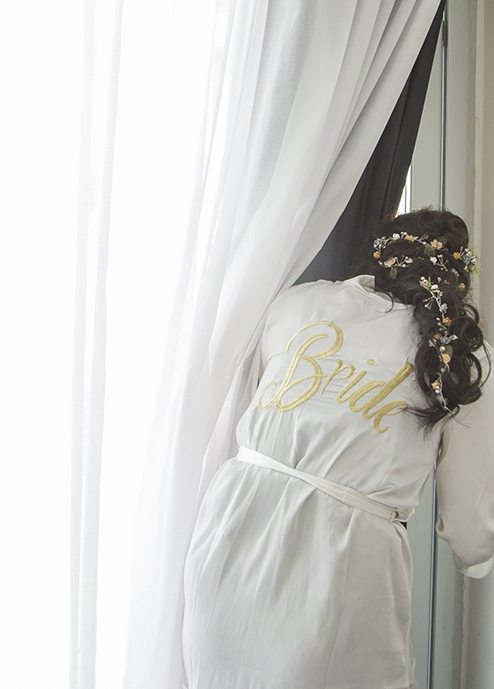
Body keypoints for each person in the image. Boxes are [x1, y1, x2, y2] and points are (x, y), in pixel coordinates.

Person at [182, 209, 494, 689]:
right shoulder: (464, 361)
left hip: (230, 534)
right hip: (344, 563)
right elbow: (470, 527)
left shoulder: (298, 303)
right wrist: (476, 559)